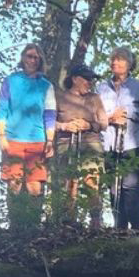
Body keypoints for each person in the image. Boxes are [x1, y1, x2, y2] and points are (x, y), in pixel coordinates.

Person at [0, 43, 56, 228]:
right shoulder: (10, 81)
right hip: (13, 139)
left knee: (35, 186)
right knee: (14, 184)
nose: (32, 60)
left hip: (37, 141)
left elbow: (50, 114)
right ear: (23, 58)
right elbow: (1, 110)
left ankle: (33, 226)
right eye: (29, 56)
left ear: (40, 61)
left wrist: (50, 140)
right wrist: (1, 136)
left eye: (36, 57)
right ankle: (15, 226)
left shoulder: (46, 85)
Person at [97, 47, 139, 231]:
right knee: (113, 186)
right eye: (113, 59)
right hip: (108, 143)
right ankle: (119, 226)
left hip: (133, 142)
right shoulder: (101, 88)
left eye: (120, 59)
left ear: (130, 64)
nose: (115, 63)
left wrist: (129, 112)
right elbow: (95, 115)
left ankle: (138, 225)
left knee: (131, 185)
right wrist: (111, 118)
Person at [53, 63, 108, 224]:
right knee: (68, 182)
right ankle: (68, 222)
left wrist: (89, 125)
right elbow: (49, 122)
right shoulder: (59, 97)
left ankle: (95, 221)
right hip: (66, 143)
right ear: (75, 79)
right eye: (86, 79)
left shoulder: (94, 98)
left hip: (90, 142)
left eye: (91, 79)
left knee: (92, 181)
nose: (90, 82)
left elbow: (104, 123)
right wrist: (65, 126)